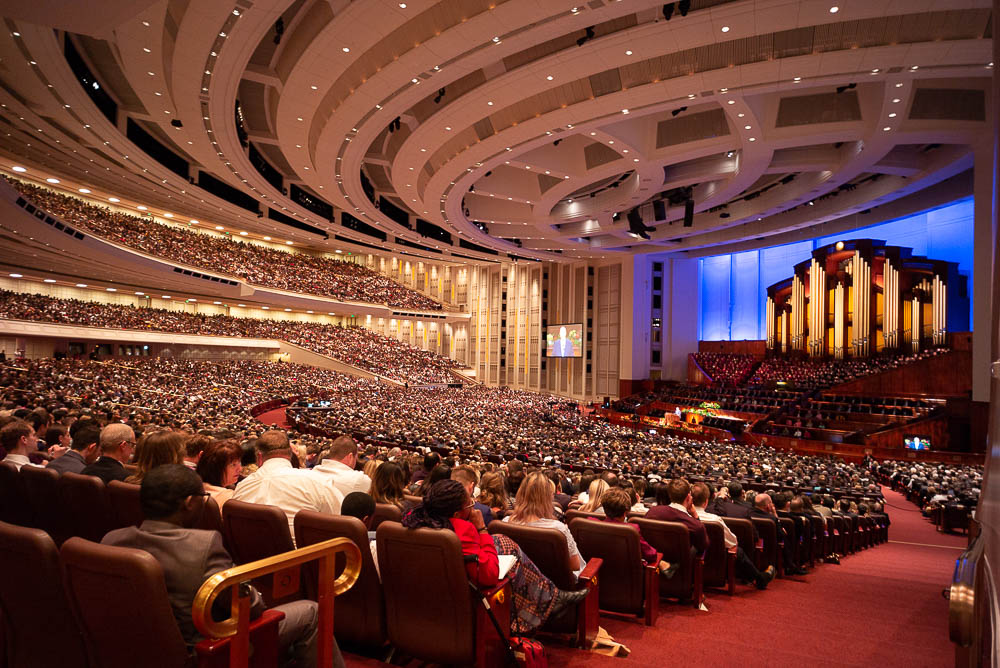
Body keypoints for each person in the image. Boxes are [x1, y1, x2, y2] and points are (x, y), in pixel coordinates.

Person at [101, 465, 342, 668]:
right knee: (311, 612)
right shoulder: (203, 545)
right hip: (206, 651)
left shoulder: (112, 540)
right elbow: (252, 608)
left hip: (137, 651)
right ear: (189, 503)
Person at [402, 479, 588, 636]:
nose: (473, 507)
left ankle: (552, 597)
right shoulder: (460, 530)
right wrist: (481, 529)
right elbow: (489, 575)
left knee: (502, 541)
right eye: (470, 505)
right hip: (463, 601)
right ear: (457, 514)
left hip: (418, 598)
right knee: (509, 553)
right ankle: (549, 602)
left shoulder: (412, 519)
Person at [232, 430, 343, 544]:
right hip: (304, 558)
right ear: (290, 455)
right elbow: (340, 522)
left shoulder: (242, 487)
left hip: (250, 559)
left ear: (259, 457)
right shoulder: (317, 481)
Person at [690, 482, 775, 589]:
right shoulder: (714, 520)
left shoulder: (682, 515)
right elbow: (732, 542)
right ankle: (759, 578)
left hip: (689, 557)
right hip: (711, 557)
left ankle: (759, 578)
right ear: (706, 501)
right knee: (737, 550)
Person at [503, 472, 585, 576]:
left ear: (521, 494)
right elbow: (575, 565)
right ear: (548, 497)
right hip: (556, 585)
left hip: (521, 582)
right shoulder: (557, 529)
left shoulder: (505, 522)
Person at [598, 487, 676, 578]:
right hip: (628, 576)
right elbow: (651, 554)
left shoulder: (592, 524)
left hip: (601, 574)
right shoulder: (631, 530)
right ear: (626, 512)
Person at [644, 480, 710, 554]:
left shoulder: (652, 512)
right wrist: (695, 516)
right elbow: (703, 546)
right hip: (681, 563)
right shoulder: (695, 524)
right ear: (689, 497)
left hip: (655, 559)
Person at [752, 493, 807, 576]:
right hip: (770, 545)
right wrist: (775, 515)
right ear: (767, 506)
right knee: (785, 539)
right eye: (771, 503)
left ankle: (790, 565)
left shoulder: (748, 513)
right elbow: (781, 534)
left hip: (753, 542)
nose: (772, 504)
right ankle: (790, 565)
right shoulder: (772, 519)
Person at [196, 438, 244, 508]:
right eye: (233, 465)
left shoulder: (195, 486)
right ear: (215, 467)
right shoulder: (229, 497)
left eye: (239, 462)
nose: (240, 469)